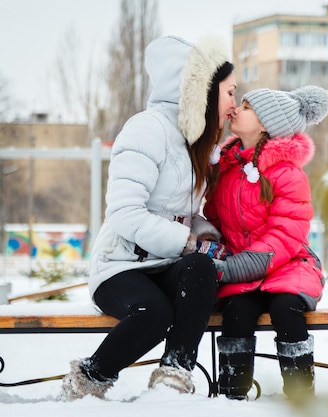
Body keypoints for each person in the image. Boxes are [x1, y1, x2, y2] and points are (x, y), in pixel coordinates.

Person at [58, 33, 237, 400]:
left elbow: (180, 213)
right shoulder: (147, 129)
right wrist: (188, 242)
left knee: (200, 270)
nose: (234, 104)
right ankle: (87, 381)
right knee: (154, 314)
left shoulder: (195, 141)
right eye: (230, 92)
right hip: (121, 266)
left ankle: (174, 376)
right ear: (201, 90)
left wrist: (206, 233)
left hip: (165, 262)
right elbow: (126, 214)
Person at [201, 85, 328, 401]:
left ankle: (301, 395)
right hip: (241, 271)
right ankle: (233, 395)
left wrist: (239, 265)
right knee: (236, 311)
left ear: (264, 125)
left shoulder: (287, 174)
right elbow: (214, 218)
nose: (236, 109)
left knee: (286, 309)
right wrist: (208, 241)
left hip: (285, 265)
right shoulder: (227, 169)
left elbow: (287, 234)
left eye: (245, 106)